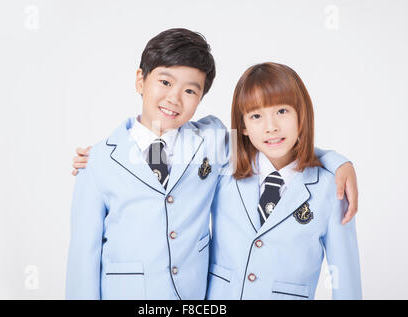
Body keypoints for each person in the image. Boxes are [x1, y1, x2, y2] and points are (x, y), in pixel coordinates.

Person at [68, 28, 359, 300]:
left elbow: (272, 146)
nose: (174, 98)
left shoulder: (213, 141)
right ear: (140, 80)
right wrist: (102, 156)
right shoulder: (99, 162)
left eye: (190, 91)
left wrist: (339, 162)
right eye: (165, 82)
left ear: (201, 98)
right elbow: (83, 258)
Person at [207, 62, 361, 300]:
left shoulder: (332, 189)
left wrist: (338, 161)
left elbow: (347, 284)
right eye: (256, 116)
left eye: (282, 111)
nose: (271, 127)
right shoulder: (224, 167)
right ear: (244, 126)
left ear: (301, 114)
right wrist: (336, 159)